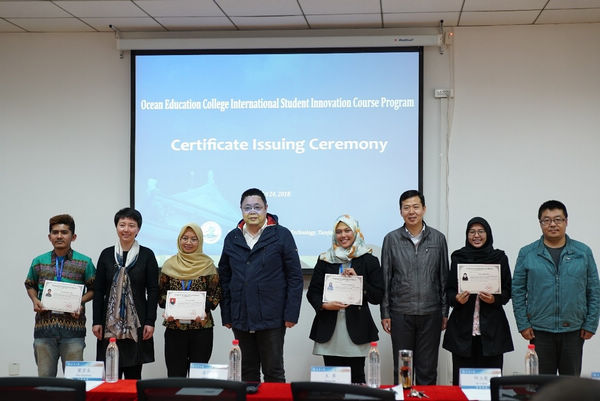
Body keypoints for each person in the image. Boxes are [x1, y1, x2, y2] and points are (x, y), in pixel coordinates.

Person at [219, 188, 303, 382]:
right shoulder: (232, 237)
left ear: (266, 208)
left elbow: (295, 277)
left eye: (257, 207)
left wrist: (291, 314)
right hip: (241, 316)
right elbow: (224, 278)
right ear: (241, 210)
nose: (252, 212)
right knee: (246, 372)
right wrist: (227, 314)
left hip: (272, 316)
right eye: (247, 208)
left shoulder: (282, 235)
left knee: (273, 371)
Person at [512, 200, 600, 376]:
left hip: (574, 330)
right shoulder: (527, 253)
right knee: (543, 385)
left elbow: (594, 289)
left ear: (566, 221)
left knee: (570, 384)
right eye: (547, 220)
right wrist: (523, 324)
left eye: (558, 219)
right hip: (539, 330)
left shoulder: (583, 252)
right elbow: (518, 290)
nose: (552, 224)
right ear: (540, 223)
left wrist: (591, 323)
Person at [380, 190, 449, 385]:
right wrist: (385, 312)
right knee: (403, 370)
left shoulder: (438, 239)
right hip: (401, 313)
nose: (411, 212)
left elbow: (444, 278)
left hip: (431, 312)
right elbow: (386, 278)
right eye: (406, 208)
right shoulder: (391, 239)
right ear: (400, 211)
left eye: (416, 207)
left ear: (424, 209)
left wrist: (445, 312)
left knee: (428, 370)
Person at [306, 215, 384, 384]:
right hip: (330, 330)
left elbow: (377, 296)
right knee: (332, 382)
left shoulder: (369, 260)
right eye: (339, 231)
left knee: (357, 380)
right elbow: (312, 293)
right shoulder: (325, 259)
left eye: (347, 230)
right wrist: (325, 305)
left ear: (355, 232)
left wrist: (359, 282)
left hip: (357, 329)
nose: (343, 235)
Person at [442, 217, 514, 385]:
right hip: (462, 330)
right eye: (472, 232)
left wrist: (494, 299)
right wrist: (456, 299)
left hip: (492, 331)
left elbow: (508, 291)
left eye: (481, 231)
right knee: (462, 383)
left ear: (488, 234)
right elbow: (449, 290)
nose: (476, 235)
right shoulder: (458, 257)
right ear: (467, 235)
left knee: (490, 383)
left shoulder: (499, 258)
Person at [24, 214, 96, 377]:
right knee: (45, 381)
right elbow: (30, 284)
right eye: (55, 232)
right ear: (49, 237)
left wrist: (80, 302)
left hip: (73, 332)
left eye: (64, 232)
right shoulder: (39, 261)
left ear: (73, 236)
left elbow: (95, 289)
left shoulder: (85, 262)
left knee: (74, 381)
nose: (59, 236)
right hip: (44, 331)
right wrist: (35, 300)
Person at [92, 207, 159, 379]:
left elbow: (153, 291)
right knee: (110, 377)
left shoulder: (147, 255)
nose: (126, 229)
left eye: (131, 225)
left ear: (138, 229)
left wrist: (150, 321)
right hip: (109, 325)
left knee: (133, 377)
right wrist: (96, 321)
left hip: (137, 325)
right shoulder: (106, 254)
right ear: (116, 227)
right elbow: (98, 291)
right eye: (122, 225)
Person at [158, 223, 222, 377]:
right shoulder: (169, 265)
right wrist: (169, 309)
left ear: (200, 241)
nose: (188, 242)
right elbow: (161, 294)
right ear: (179, 240)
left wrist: (204, 309)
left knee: (198, 376)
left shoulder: (208, 266)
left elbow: (216, 294)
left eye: (194, 239)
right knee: (175, 375)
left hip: (201, 328)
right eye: (185, 238)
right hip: (174, 328)